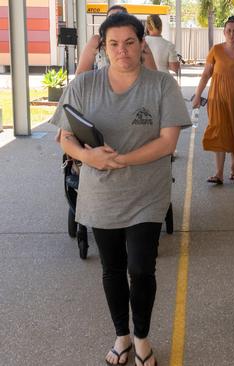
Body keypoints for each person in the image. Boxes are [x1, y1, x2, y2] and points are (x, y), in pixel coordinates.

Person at [49, 13, 190, 366]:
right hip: (101, 195)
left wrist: (122, 160)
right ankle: (122, 336)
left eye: (129, 42)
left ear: (142, 44)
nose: (122, 50)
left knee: (142, 268)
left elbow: (167, 142)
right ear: (103, 47)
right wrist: (87, 155)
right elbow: (63, 136)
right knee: (112, 269)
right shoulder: (83, 85)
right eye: (113, 44)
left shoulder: (161, 85)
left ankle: (141, 337)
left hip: (146, 194)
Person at [193, 15, 234, 184]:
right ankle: (219, 173)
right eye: (229, 30)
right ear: (224, 32)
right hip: (217, 99)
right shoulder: (216, 50)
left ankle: (233, 169)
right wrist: (198, 95)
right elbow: (206, 74)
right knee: (219, 131)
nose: (231, 33)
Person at [76, 5, 157, 75]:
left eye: (129, 43)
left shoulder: (138, 42)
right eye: (111, 18)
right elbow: (80, 75)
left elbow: (153, 75)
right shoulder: (96, 41)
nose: (116, 22)